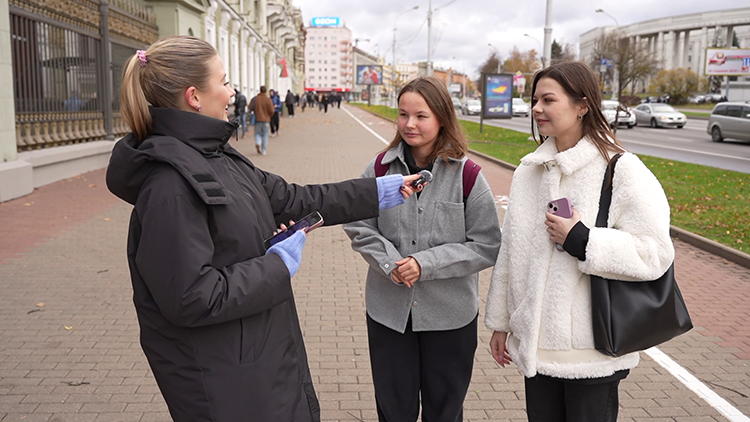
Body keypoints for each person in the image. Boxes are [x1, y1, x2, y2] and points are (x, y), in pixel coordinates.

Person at [106, 35, 426, 422]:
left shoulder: (218, 157)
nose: (231, 91)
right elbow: (191, 296)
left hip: (256, 355)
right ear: (194, 96)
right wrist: (277, 264)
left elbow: (294, 199)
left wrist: (378, 192)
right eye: (224, 81)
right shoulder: (170, 187)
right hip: (224, 378)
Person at [484, 61, 674, 422]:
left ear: (582, 105)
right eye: (534, 99)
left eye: (548, 100)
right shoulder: (529, 171)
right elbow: (511, 252)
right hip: (536, 349)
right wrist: (501, 322)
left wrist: (583, 240)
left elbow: (655, 253)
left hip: (592, 353)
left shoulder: (621, 168)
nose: (536, 108)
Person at [343, 76, 503, 422]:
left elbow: (487, 244)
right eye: (403, 115)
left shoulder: (468, 176)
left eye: (421, 116)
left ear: (442, 118)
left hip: (450, 319)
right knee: (393, 410)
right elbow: (357, 223)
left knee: (444, 412)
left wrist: (425, 263)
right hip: (389, 315)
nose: (409, 124)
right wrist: (390, 263)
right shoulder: (379, 169)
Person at [251, 86, 274, 155]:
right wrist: (268, 115)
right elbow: (271, 111)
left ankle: (258, 142)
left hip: (257, 119)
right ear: (266, 91)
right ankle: (263, 150)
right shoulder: (268, 100)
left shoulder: (255, 99)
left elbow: (250, 107)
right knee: (265, 134)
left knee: (257, 133)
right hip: (266, 120)